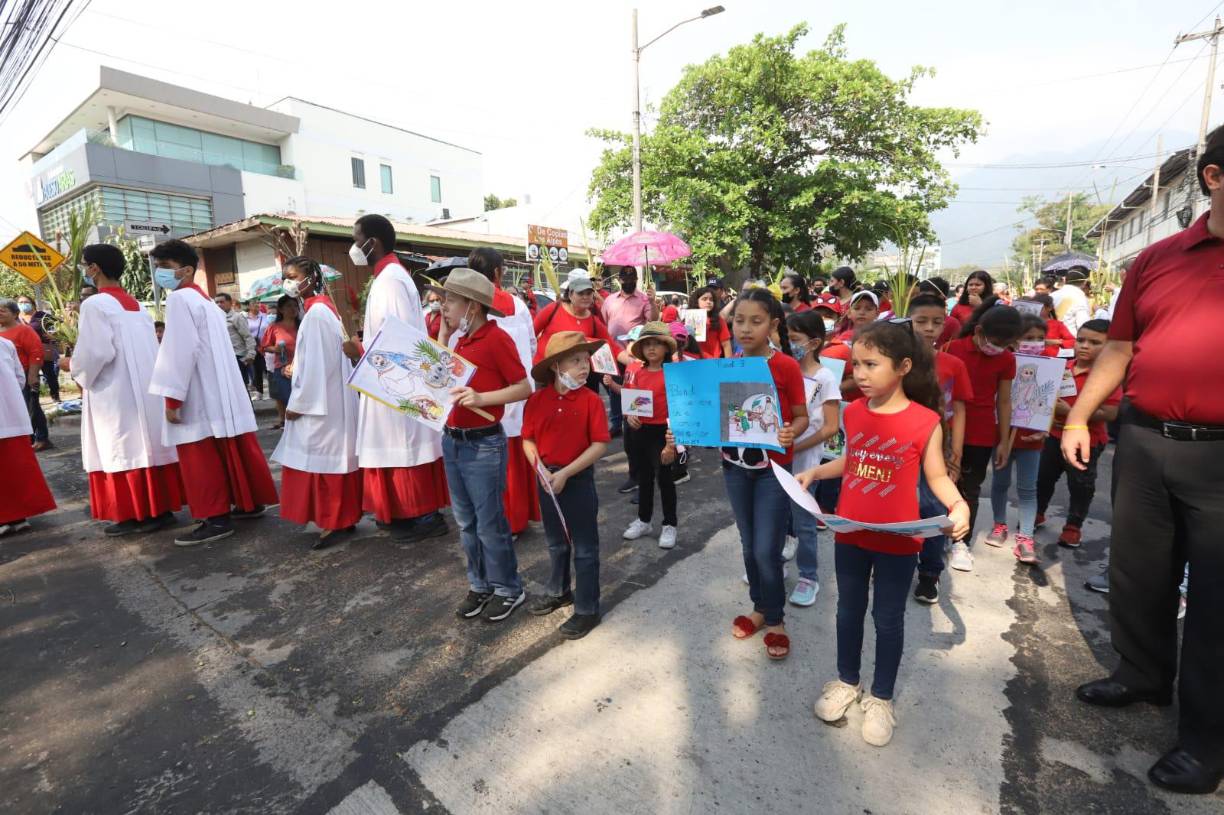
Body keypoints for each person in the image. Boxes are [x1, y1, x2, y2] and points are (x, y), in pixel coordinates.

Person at [1061, 131, 1224, 794]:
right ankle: (1142, 673)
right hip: (1147, 437)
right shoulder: (1159, 258)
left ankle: (1206, 740)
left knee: (1216, 600)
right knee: (1138, 570)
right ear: (1213, 176)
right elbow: (1120, 347)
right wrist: (1079, 414)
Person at [799, 321, 970, 747]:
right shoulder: (854, 413)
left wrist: (959, 504)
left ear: (903, 366)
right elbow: (851, 462)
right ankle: (846, 681)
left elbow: (935, 475)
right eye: (856, 363)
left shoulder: (925, 421)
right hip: (851, 532)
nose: (860, 372)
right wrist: (816, 471)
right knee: (847, 611)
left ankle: (881, 697)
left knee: (889, 618)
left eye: (871, 364)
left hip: (899, 540)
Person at [148, 239, 279, 546]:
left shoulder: (181, 300)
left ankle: (215, 518)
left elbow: (179, 352)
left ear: (187, 270)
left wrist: (172, 398)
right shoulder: (206, 302)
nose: (159, 274)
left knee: (200, 456)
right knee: (227, 448)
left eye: (165, 268)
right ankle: (246, 503)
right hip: (221, 389)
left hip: (199, 392)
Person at [431, 269, 532, 623]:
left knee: (490, 524)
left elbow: (524, 387)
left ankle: (508, 588)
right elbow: (440, 378)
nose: (443, 306)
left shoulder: (496, 339)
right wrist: (444, 335)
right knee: (466, 522)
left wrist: (482, 397)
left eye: (450, 300)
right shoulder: (462, 340)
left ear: (471, 306)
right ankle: (480, 584)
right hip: (454, 441)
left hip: (483, 444)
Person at [341, 214, 449, 542]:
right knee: (397, 446)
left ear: (372, 242)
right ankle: (404, 512)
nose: (354, 246)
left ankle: (425, 516)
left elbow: (398, 340)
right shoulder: (388, 276)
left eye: (357, 238)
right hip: (386, 378)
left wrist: (359, 350)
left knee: (405, 446)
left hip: (396, 383)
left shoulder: (389, 280)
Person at [63, 244, 183, 536]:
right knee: (146, 446)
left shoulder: (95, 304)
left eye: (84, 265)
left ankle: (135, 513)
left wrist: (71, 365)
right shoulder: (138, 305)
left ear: (95, 269)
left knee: (121, 447)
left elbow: (96, 352)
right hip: (144, 388)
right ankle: (160, 508)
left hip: (114, 391)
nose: (84, 270)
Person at [724, 288, 808, 661]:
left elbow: (802, 415)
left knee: (765, 548)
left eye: (755, 321)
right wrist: (683, 430)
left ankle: (775, 619)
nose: (745, 328)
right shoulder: (725, 364)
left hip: (773, 469)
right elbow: (713, 414)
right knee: (747, 543)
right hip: (734, 467)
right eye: (739, 320)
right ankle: (760, 607)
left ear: (773, 325)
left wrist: (793, 430)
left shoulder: (787, 366)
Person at [522, 331, 611, 640]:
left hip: (577, 480)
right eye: (575, 361)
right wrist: (542, 470)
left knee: (585, 548)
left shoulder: (590, 401)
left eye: (586, 360)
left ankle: (588, 608)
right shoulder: (537, 400)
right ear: (555, 367)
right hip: (547, 479)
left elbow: (599, 444)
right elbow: (528, 439)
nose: (584, 367)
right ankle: (559, 590)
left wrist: (566, 474)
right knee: (556, 542)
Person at [271, 256, 362, 550]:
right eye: (286, 276)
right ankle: (338, 519)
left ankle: (336, 521)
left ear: (311, 278)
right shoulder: (315, 311)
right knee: (324, 462)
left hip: (322, 402)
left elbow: (320, 366)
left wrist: (299, 402)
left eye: (294, 275)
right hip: (325, 397)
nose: (290, 281)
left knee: (325, 463)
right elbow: (314, 358)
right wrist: (295, 367)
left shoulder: (319, 313)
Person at [463, 246, 540, 539]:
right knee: (514, 466)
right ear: (497, 273)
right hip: (516, 394)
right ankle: (516, 520)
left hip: (483, 398)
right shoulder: (518, 306)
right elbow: (531, 346)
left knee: (489, 469)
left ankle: (495, 523)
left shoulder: (469, 306)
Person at [942, 298, 1021, 571]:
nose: (996, 349)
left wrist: (1003, 441)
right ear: (978, 331)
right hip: (945, 430)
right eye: (994, 342)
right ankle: (932, 537)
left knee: (970, 489)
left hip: (981, 433)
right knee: (938, 486)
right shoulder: (952, 349)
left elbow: (1005, 401)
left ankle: (959, 543)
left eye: (1004, 345)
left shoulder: (1007, 359)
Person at [908, 294, 973, 602]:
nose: (929, 328)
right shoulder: (896, 361)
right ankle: (892, 564)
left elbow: (958, 410)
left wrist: (955, 453)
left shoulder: (953, 365)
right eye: (922, 321)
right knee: (899, 507)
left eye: (937, 322)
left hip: (937, 449)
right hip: (901, 448)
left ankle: (930, 573)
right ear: (909, 321)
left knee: (934, 509)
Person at [1036, 319, 1119, 552]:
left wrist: (1071, 413)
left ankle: (1073, 526)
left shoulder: (1107, 377)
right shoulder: (1062, 368)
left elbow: (1111, 413)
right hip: (1053, 435)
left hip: (1087, 441)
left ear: (1109, 346)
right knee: (1043, 478)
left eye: (1094, 342)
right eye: (1081, 340)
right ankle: (1038, 513)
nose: (1084, 346)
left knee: (1081, 485)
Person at [784, 310, 841, 607]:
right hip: (778, 459)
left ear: (814, 342)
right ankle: (777, 564)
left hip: (805, 464)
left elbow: (831, 426)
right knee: (777, 518)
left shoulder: (825, 377)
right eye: (786, 338)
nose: (788, 344)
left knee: (804, 522)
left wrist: (800, 444)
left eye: (794, 339)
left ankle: (809, 577)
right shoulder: (783, 370)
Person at [984, 313, 1047, 565]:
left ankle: (1026, 538)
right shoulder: (1002, 363)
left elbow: (1052, 405)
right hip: (1001, 436)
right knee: (1000, 483)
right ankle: (999, 524)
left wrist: (1046, 427)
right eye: (1028, 338)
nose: (1035, 343)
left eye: (1040, 338)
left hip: (1033, 440)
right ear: (1014, 340)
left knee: (1028, 489)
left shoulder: (1052, 367)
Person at [617, 322, 680, 550]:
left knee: (665, 479)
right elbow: (630, 399)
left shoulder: (673, 373)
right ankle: (644, 520)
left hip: (664, 432)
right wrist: (629, 414)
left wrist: (671, 443)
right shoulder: (634, 370)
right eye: (647, 345)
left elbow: (679, 407)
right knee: (643, 477)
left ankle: (670, 524)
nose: (651, 349)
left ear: (666, 348)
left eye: (657, 344)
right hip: (639, 431)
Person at [0, 334, 56, 535]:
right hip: (10, 415)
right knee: (15, 468)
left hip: (10, 419)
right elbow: (19, 378)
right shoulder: (5, 344)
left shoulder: (6, 344)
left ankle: (10, 518)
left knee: (11, 469)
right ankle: (16, 516)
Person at [0, 300, 49, 450]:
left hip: (25, 375)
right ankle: (27, 439)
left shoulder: (24, 330)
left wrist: (32, 375)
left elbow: (36, 353)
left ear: (15, 314)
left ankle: (42, 438)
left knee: (31, 406)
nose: (0, 313)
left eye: (3, 310)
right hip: (7, 381)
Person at [260, 295, 299, 429]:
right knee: (288, 400)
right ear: (281, 310)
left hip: (301, 368)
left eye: (295, 306)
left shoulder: (303, 325)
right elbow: (264, 347)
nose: (293, 309)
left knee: (301, 402)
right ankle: (290, 429)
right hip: (282, 369)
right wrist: (275, 349)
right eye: (289, 306)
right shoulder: (274, 327)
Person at [16, 294, 59, 404]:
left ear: (32, 304)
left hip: (43, 350)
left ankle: (55, 397)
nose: (23, 305)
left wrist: (52, 336)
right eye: (20, 303)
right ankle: (33, 400)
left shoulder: (42, 316)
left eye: (26, 302)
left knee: (50, 375)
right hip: (24, 354)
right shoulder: (15, 318)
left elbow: (58, 326)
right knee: (29, 376)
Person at [214, 292, 256, 385]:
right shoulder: (216, 318)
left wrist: (250, 354)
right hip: (224, 357)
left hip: (238, 356)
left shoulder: (237, 317)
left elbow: (247, 336)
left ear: (230, 302)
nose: (219, 304)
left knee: (241, 387)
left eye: (222, 302)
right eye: (216, 302)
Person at [686, 286, 731, 359]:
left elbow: (726, 345)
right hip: (693, 362)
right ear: (696, 301)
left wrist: (729, 366)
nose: (708, 302)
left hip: (713, 363)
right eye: (704, 299)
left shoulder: (719, 320)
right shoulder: (689, 319)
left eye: (711, 299)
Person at [1051, 268, 1092, 335]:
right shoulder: (1080, 298)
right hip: (1070, 340)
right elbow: (1083, 324)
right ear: (1084, 283)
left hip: (1050, 338)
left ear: (1065, 281)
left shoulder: (1052, 295)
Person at [244, 300, 271, 398]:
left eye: (258, 303)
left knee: (268, 368)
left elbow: (269, 329)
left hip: (265, 346)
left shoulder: (264, 316)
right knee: (257, 370)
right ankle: (259, 392)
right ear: (249, 306)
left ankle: (272, 391)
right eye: (254, 304)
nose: (257, 305)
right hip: (253, 347)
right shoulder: (244, 318)